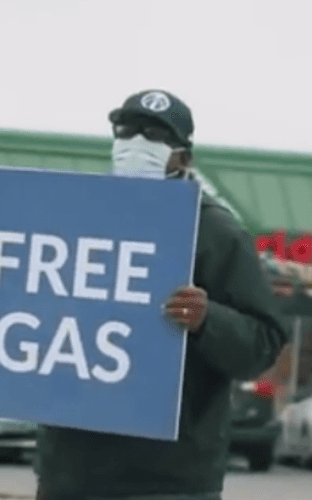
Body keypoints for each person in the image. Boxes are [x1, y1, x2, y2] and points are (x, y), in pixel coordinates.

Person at [31, 90, 288, 499]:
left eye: (153, 135)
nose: (136, 143)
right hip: (72, 471)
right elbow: (29, 306)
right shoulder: (75, 217)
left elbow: (264, 344)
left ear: (183, 158)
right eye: (126, 130)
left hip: (170, 480)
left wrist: (208, 319)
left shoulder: (216, 234)